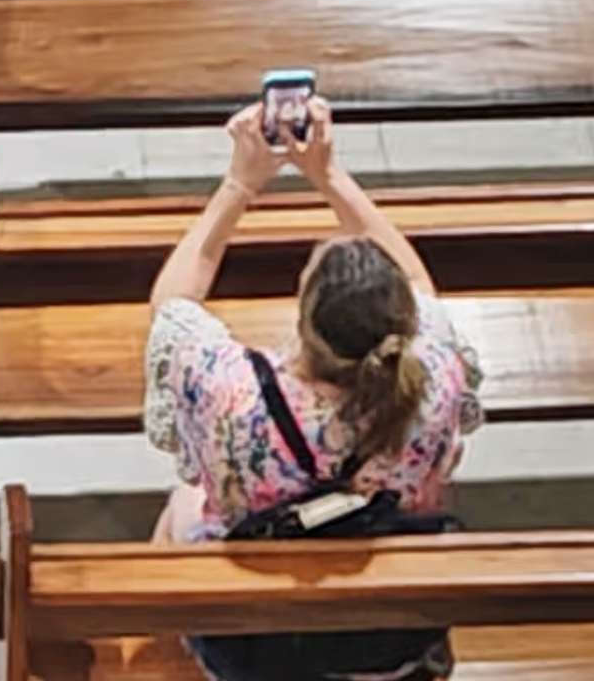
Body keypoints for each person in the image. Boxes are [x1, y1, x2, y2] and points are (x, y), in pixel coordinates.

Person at [144, 93, 482, 545]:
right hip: (390, 545)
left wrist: (238, 184)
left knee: (182, 504)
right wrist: (328, 174)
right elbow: (418, 281)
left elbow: (172, 305)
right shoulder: (436, 373)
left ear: (304, 318)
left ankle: (175, 610)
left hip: (262, 562)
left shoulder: (231, 390)